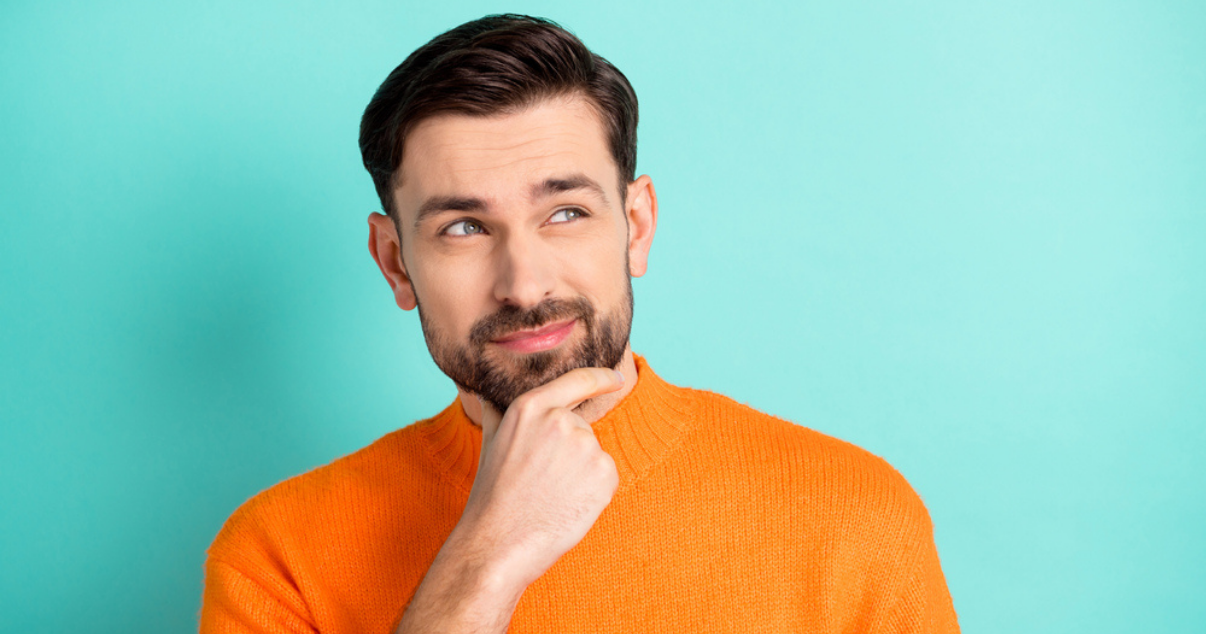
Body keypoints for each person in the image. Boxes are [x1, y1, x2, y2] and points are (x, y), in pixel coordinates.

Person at [200, 14, 959, 634]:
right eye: (463, 227)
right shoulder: (277, 556)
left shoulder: (854, 512)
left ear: (636, 226)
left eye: (565, 213)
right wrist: (489, 556)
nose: (524, 285)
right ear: (396, 263)